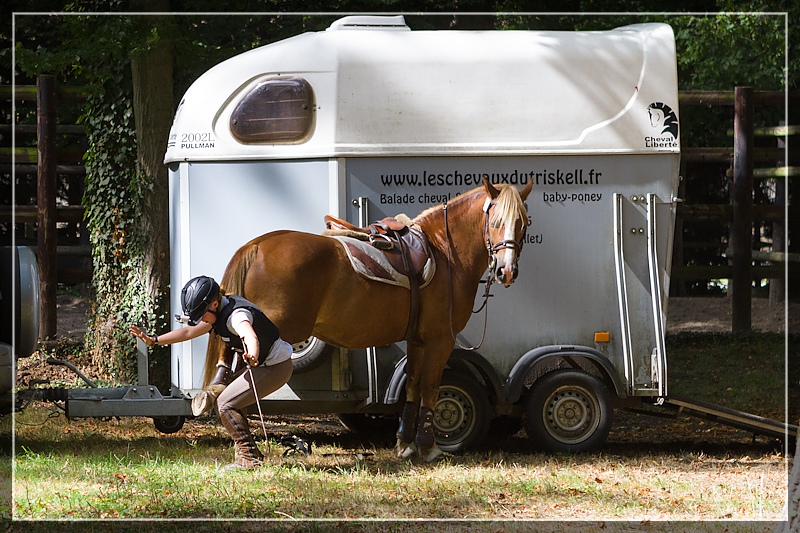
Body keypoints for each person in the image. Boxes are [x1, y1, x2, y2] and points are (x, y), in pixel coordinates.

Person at [129, 275, 293, 471]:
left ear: (214, 304)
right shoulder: (217, 310)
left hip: (275, 367)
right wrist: (154, 340)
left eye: (201, 316)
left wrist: (252, 353)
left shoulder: (236, 316)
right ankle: (251, 454)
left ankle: (248, 460)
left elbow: (249, 335)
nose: (201, 321)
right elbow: (188, 333)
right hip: (265, 365)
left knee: (225, 403)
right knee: (231, 400)